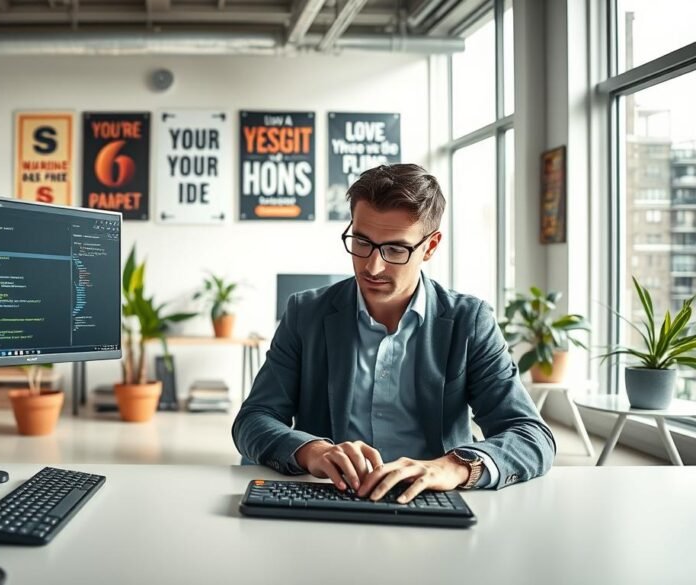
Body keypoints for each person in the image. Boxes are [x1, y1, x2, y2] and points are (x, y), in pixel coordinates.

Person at [232, 164, 554, 504]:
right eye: (361, 242)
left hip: (431, 501)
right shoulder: (305, 313)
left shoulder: (468, 321)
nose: (372, 267)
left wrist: (454, 467)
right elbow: (254, 419)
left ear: (430, 247)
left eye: (396, 250)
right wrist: (311, 451)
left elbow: (531, 435)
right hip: (329, 495)